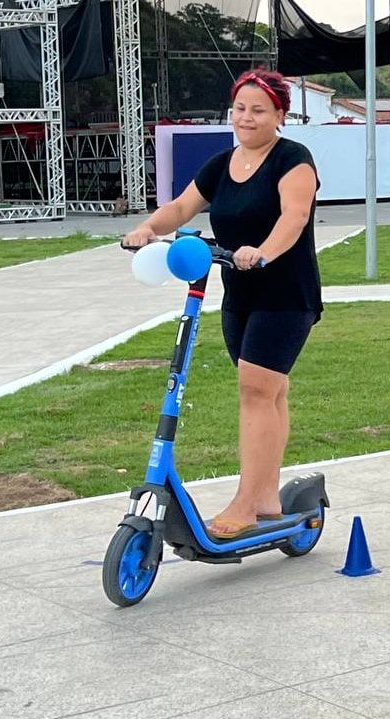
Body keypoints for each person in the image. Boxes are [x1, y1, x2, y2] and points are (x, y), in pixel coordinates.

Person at [124, 68, 322, 539]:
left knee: (256, 390)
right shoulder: (220, 164)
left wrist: (263, 251)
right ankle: (268, 496)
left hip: (285, 292)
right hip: (240, 293)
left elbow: (294, 216)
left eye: (258, 110)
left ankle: (245, 503)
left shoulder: (294, 160)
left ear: (279, 114)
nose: (246, 118)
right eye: (239, 109)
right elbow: (180, 208)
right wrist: (149, 228)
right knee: (269, 393)